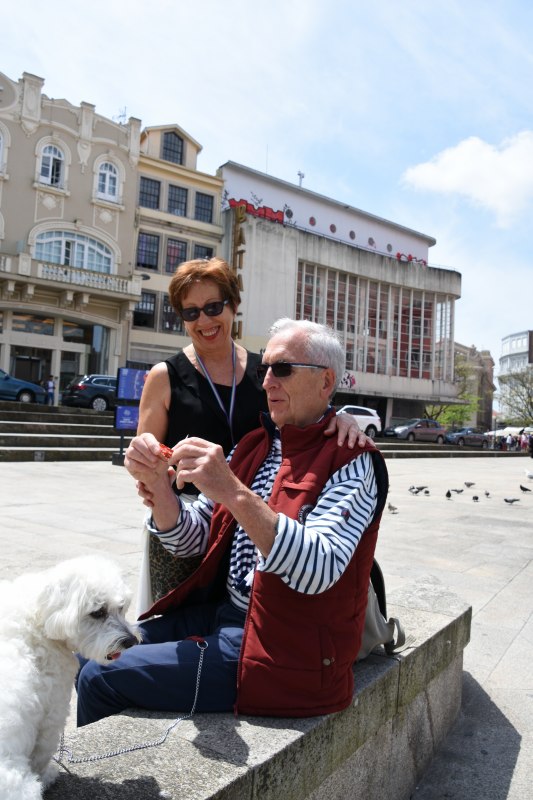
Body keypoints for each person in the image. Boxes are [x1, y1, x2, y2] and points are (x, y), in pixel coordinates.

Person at [76, 318, 389, 726]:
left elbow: (318, 569)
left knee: (101, 675)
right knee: (88, 648)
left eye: (283, 369)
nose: (267, 382)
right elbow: (194, 538)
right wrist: (160, 489)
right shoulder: (255, 445)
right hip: (228, 614)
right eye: (265, 370)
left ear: (326, 381)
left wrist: (234, 491)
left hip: (286, 649)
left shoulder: (352, 460)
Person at [133, 257, 366, 610]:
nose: (205, 320)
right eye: (191, 312)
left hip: (258, 524)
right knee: (178, 624)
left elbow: (307, 409)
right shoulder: (164, 375)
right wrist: (147, 464)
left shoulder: (268, 369)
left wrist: (342, 418)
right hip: (191, 521)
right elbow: (148, 455)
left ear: (233, 306)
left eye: (213, 307)